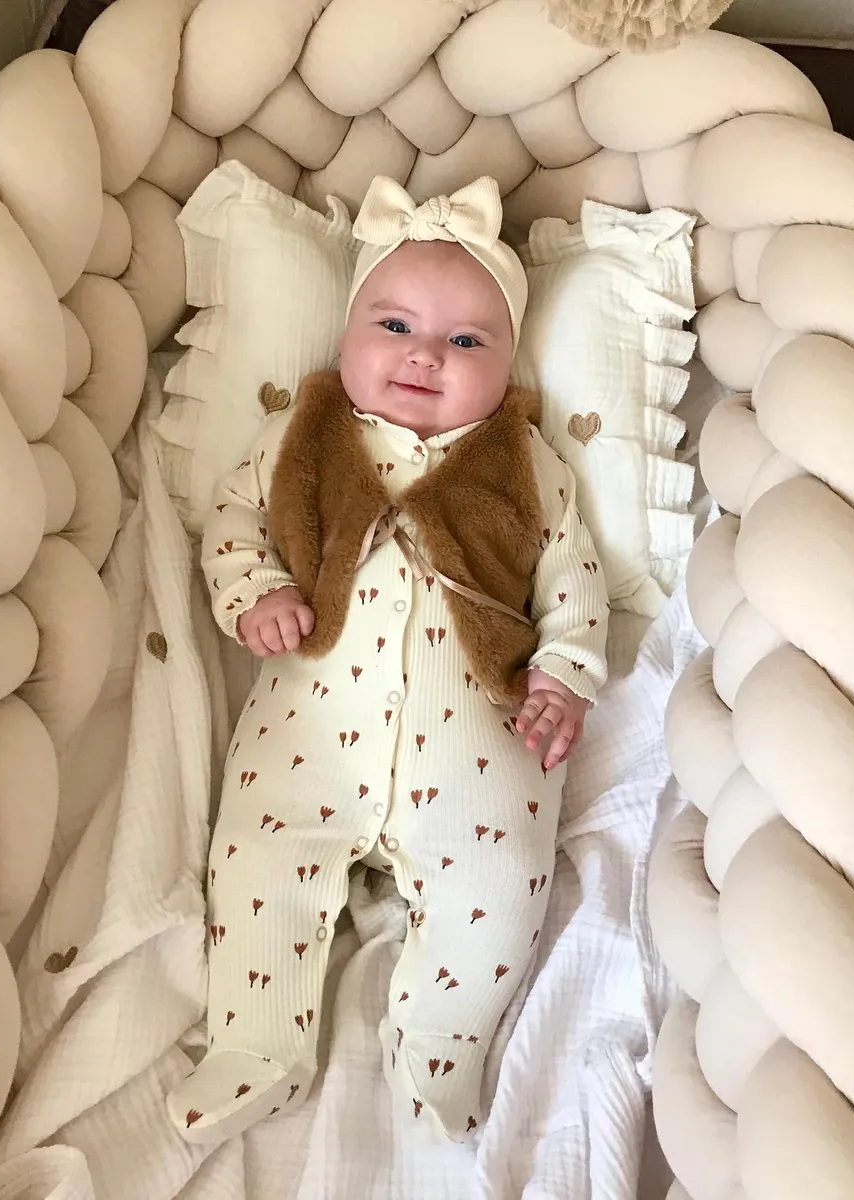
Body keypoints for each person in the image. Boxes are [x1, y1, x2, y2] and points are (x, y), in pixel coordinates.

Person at [167, 175, 609, 1145]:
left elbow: (573, 576)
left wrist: (562, 674)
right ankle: (254, 1045)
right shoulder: (300, 435)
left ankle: (441, 1049)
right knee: (256, 857)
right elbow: (233, 521)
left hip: (475, 744)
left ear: (507, 367)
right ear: (346, 334)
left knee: (504, 882)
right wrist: (257, 594)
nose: (425, 354)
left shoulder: (527, 462)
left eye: (466, 341)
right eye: (395, 325)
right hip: (309, 728)